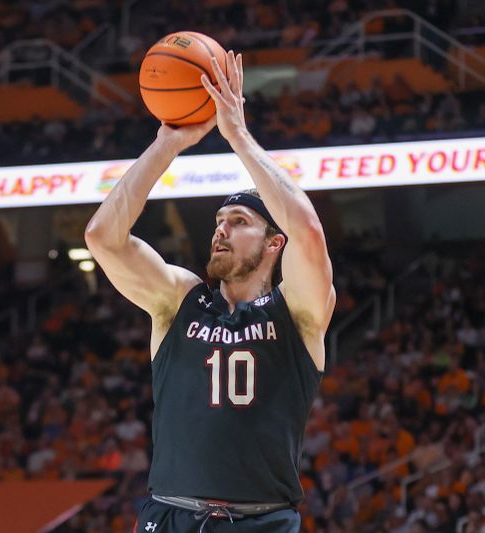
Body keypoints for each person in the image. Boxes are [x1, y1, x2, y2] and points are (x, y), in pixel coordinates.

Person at [85, 49, 335, 533]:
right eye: (219, 221)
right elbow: (102, 238)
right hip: (170, 514)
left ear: (272, 244)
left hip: (259, 522)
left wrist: (236, 134)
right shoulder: (180, 298)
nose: (220, 230)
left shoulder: (298, 311)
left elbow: (307, 228)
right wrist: (166, 144)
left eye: (238, 222)